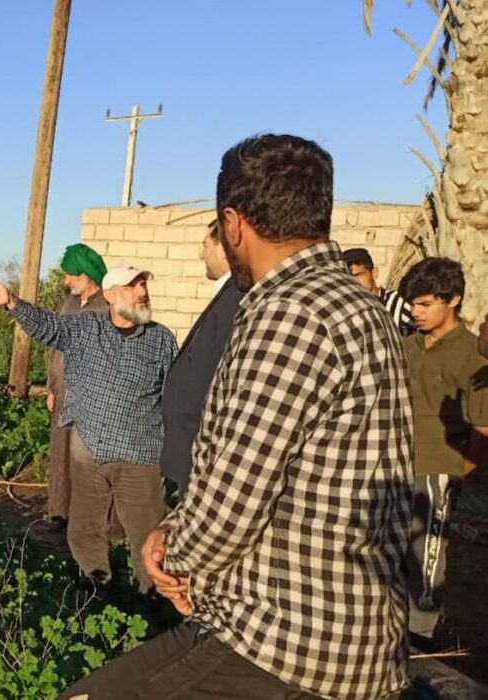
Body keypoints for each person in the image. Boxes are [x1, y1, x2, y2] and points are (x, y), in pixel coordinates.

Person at [59, 134, 414, 700]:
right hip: (336, 628)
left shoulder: (289, 313)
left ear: (234, 222)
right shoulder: (353, 304)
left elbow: (234, 498)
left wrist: (171, 553)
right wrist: (179, 536)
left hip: (291, 645)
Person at [0, 266, 176, 595]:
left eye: (144, 285)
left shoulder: (160, 339)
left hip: (139, 456)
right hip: (89, 452)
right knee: (85, 530)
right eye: (133, 286)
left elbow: (174, 394)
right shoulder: (86, 328)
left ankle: (152, 602)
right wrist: (12, 301)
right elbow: (48, 326)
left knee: (147, 535)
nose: (142, 291)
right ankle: (97, 590)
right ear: (112, 295)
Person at [399, 257, 488, 644]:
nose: (416, 312)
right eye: (413, 305)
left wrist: (461, 470)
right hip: (395, 465)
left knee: (427, 551)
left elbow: (482, 428)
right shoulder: (406, 346)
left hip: (437, 468)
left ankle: (421, 633)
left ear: (452, 300)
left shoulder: (471, 355)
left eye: (425, 304)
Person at [159, 219, 242, 498]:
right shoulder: (228, 295)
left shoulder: (236, 298)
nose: (201, 254)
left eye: (206, 245)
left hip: (203, 459)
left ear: (224, 247)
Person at [46, 243, 111, 530]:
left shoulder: (106, 306)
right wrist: (51, 386)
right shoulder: (70, 304)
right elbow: (56, 347)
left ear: (87, 274)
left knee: (86, 457)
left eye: (71, 274)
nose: (67, 280)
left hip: (92, 396)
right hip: (63, 392)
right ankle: (59, 513)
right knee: (60, 452)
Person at [343, 247, 415, 335]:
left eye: (357, 275)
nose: (352, 282)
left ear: (374, 273)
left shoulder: (398, 303)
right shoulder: (344, 311)